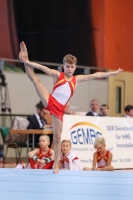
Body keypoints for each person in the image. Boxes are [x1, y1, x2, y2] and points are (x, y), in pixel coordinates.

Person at [19, 41, 122, 173]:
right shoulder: (58, 75)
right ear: (64, 66)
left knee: (57, 137)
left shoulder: (76, 79)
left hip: (59, 109)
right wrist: (27, 62)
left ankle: (56, 165)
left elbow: (95, 75)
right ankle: (25, 58)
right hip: (51, 100)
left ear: (75, 67)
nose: (69, 69)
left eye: (72, 67)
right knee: (35, 80)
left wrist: (111, 74)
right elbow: (42, 68)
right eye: (67, 66)